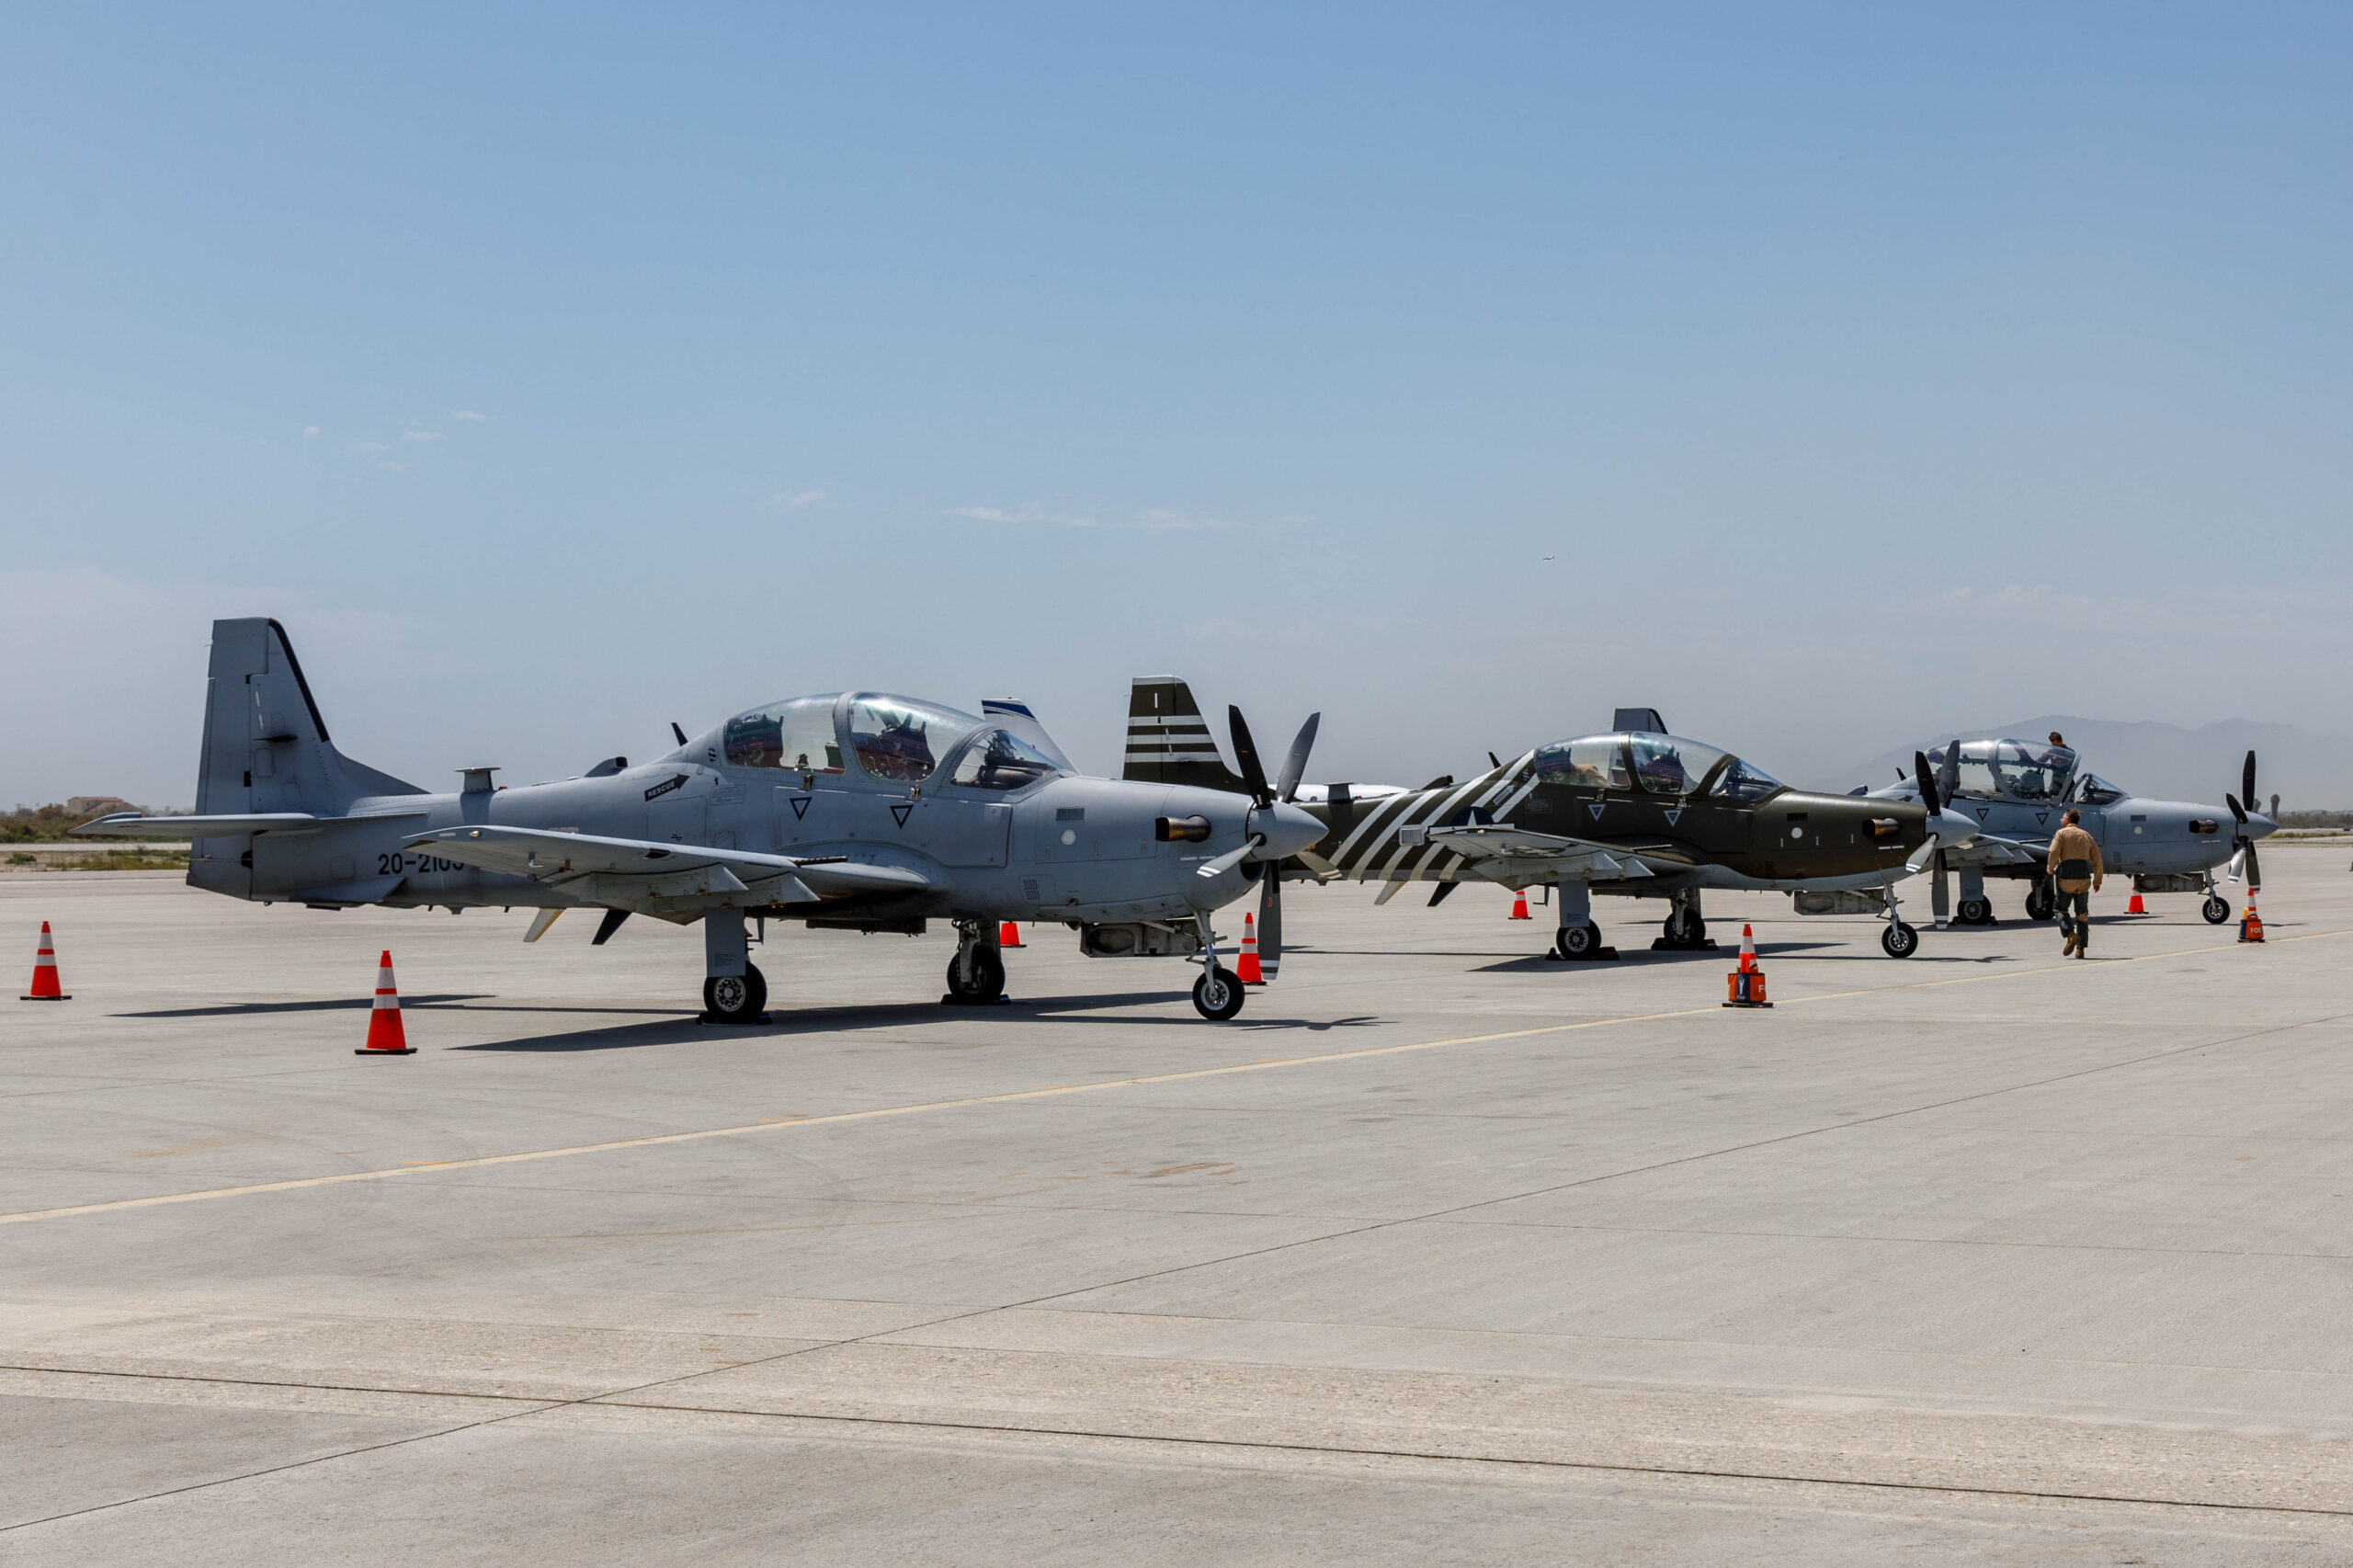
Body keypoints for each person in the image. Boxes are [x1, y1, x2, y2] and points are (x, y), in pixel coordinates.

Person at [2045, 807, 2103, 958]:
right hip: (2084, 878)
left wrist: (2050, 869)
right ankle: (2080, 949)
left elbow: (2053, 852)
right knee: (2082, 914)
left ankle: (2070, 934)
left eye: (2062, 818)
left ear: (2068, 820)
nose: (2061, 820)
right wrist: (2098, 880)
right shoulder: (2086, 835)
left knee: (2059, 909)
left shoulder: (2061, 833)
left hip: (2066, 877)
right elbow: (2097, 859)